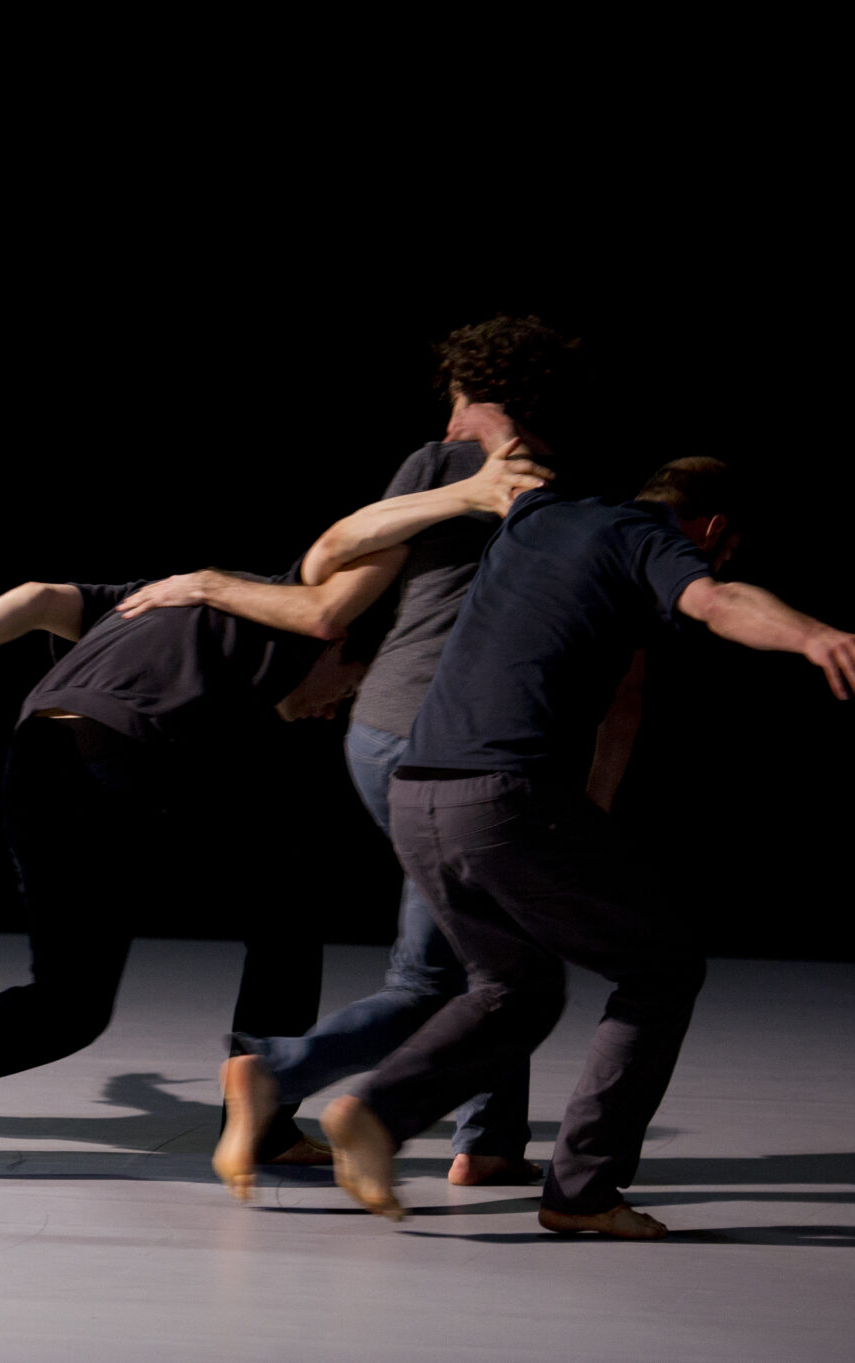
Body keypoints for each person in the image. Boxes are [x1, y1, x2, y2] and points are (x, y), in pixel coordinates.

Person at [0, 444, 549, 1176]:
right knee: (289, 904)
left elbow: (38, 597)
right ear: (340, 650)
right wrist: (469, 493)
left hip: (37, 759)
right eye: (350, 689)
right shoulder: (281, 610)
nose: (332, 709)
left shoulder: (154, 599)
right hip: (120, 755)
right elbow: (336, 573)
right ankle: (264, 1112)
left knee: (68, 1005)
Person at [321, 457, 855, 1238]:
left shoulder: (540, 516)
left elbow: (614, 681)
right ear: (713, 528)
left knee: (514, 987)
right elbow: (716, 602)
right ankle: (583, 1190)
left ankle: (376, 1111)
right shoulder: (648, 538)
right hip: (504, 795)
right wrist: (815, 635)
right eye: (720, 549)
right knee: (661, 970)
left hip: (417, 791)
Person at [116, 316, 579, 1199]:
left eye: (457, 400)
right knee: (466, 969)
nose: (449, 420)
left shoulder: (445, 464)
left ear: (485, 397)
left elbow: (331, 578)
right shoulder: (512, 480)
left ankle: (487, 1138)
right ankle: (282, 1073)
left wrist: (212, 582)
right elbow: (333, 580)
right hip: (461, 744)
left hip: (396, 730)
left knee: (492, 945)